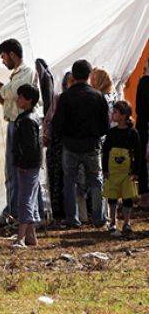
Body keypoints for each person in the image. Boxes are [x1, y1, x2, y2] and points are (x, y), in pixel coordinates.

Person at [0, 39, 37, 224]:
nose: (3, 61)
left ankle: (18, 213)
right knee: (13, 170)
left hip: (22, 126)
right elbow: (14, 100)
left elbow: (15, 92)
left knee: (20, 170)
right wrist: (1, 100)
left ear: (12, 54)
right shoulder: (17, 74)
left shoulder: (26, 72)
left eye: (4, 56)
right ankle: (14, 211)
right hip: (15, 123)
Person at [52, 59, 109, 228]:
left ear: (73, 76)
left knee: (69, 182)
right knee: (96, 182)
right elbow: (105, 125)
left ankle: (73, 218)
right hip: (92, 145)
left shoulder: (65, 97)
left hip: (70, 145)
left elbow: (57, 124)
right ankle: (99, 218)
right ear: (89, 75)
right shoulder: (98, 96)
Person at [102, 101, 140, 237]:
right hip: (113, 172)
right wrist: (105, 169)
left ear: (124, 115)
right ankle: (112, 221)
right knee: (112, 197)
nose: (113, 114)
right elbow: (105, 152)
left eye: (115, 112)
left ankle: (127, 222)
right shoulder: (111, 133)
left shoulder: (133, 133)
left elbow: (138, 154)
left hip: (127, 173)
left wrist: (136, 171)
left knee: (127, 197)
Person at [12, 84, 42, 248]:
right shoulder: (32, 117)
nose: (18, 100)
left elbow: (30, 146)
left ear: (29, 100)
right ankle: (31, 237)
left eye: (20, 97)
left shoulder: (27, 120)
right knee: (28, 197)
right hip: (32, 164)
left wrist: (23, 162)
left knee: (25, 200)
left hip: (28, 165)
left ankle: (20, 238)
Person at [43, 72, 73, 221]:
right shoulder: (58, 99)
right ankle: (60, 210)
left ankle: (65, 210)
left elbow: (50, 121)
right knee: (59, 176)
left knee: (65, 177)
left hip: (64, 144)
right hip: (58, 145)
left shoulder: (61, 99)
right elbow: (49, 121)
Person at [134, 62, 149, 209]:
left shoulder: (144, 82)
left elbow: (139, 107)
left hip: (145, 126)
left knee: (143, 162)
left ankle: (145, 197)